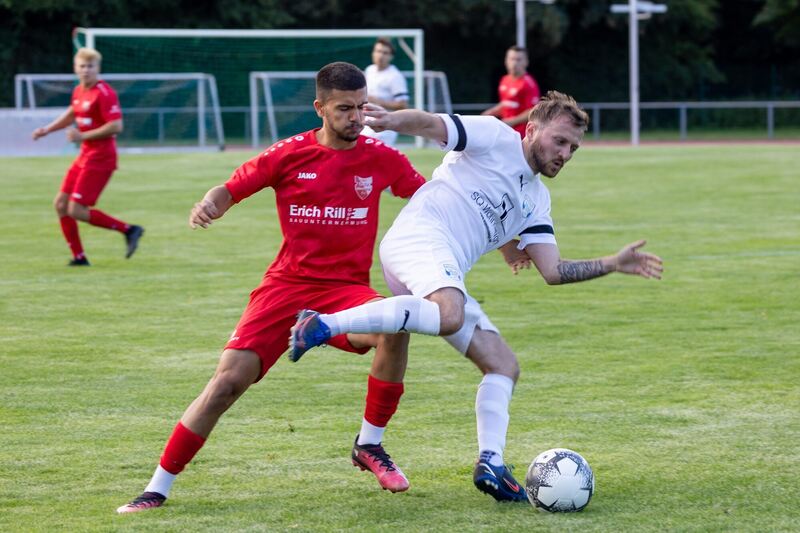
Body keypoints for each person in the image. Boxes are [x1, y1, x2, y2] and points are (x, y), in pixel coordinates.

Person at [290, 91, 664, 502]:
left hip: (443, 268)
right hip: (419, 238)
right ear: (532, 129)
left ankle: (491, 462)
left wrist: (612, 263)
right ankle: (322, 323)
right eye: (560, 141)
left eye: (573, 147)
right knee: (448, 313)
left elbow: (553, 272)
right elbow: (433, 124)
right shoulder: (494, 136)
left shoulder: (537, 199)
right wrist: (390, 120)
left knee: (503, 365)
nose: (566, 154)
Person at [116, 62, 426, 514]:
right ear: (320, 108)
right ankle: (156, 488)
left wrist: (507, 241)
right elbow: (231, 187)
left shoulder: (381, 157)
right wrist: (210, 204)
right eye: (344, 109)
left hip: (345, 291)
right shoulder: (290, 153)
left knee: (396, 323)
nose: (356, 117)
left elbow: (431, 202)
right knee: (226, 383)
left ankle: (370, 444)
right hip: (286, 289)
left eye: (361, 107)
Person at [32, 47, 144, 266]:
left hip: (101, 158)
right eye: (82, 66)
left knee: (76, 210)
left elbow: (116, 125)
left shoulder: (104, 93)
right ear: (75, 68)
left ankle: (129, 230)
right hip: (84, 155)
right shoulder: (79, 90)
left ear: (97, 69)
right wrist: (47, 129)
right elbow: (72, 113)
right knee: (61, 204)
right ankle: (79, 257)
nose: (86, 70)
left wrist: (81, 135)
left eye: (90, 66)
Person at [482, 46, 541, 139]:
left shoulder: (528, 84)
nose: (514, 63)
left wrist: (510, 122)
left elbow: (533, 111)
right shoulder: (504, 80)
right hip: (505, 131)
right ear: (506, 61)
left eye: (518, 60)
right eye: (512, 59)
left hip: (521, 135)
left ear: (526, 62)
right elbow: (507, 104)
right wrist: (490, 112)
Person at [361, 37, 409, 146]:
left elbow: (403, 104)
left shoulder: (395, 76)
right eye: (378, 51)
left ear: (391, 57)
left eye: (385, 53)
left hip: (385, 125)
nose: (380, 55)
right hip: (367, 122)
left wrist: (378, 101)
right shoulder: (370, 70)